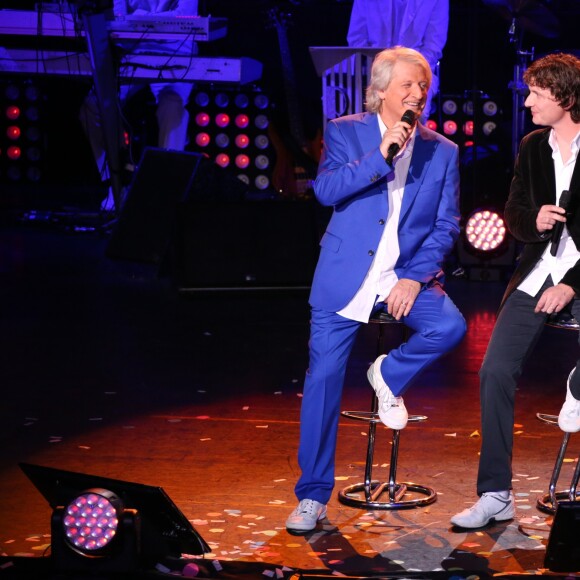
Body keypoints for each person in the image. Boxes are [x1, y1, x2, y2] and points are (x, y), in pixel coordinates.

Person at [285, 46, 467, 534]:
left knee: (449, 326)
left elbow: (446, 225)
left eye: (422, 86)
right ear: (381, 90)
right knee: (322, 381)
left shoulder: (442, 150)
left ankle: (388, 372)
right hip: (345, 276)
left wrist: (414, 277)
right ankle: (312, 496)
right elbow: (325, 192)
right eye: (407, 85)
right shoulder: (346, 132)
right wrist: (381, 154)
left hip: (403, 277)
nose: (417, 94)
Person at [451, 52, 580, 529]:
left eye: (537, 95)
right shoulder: (531, 146)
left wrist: (569, 285)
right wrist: (535, 220)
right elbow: (515, 214)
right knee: (494, 370)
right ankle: (495, 493)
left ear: (565, 98)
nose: (527, 103)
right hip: (538, 269)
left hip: (578, 274)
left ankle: (577, 387)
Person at [79, 0, 198, 210]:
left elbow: (184, 16)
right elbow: (119, 17)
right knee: (93, 106)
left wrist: (141, 16)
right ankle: (115, 184)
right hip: (131, 53)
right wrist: (145, 19)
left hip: (176, 52)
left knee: (172, 105)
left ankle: (167, 194)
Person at [346, 0, 449, 120]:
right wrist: (381, 71)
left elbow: (432, 47)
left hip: (415, 75)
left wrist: (406, 73)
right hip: (373, 74)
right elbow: (357, 39)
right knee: (370, 128)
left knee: (410, 130)